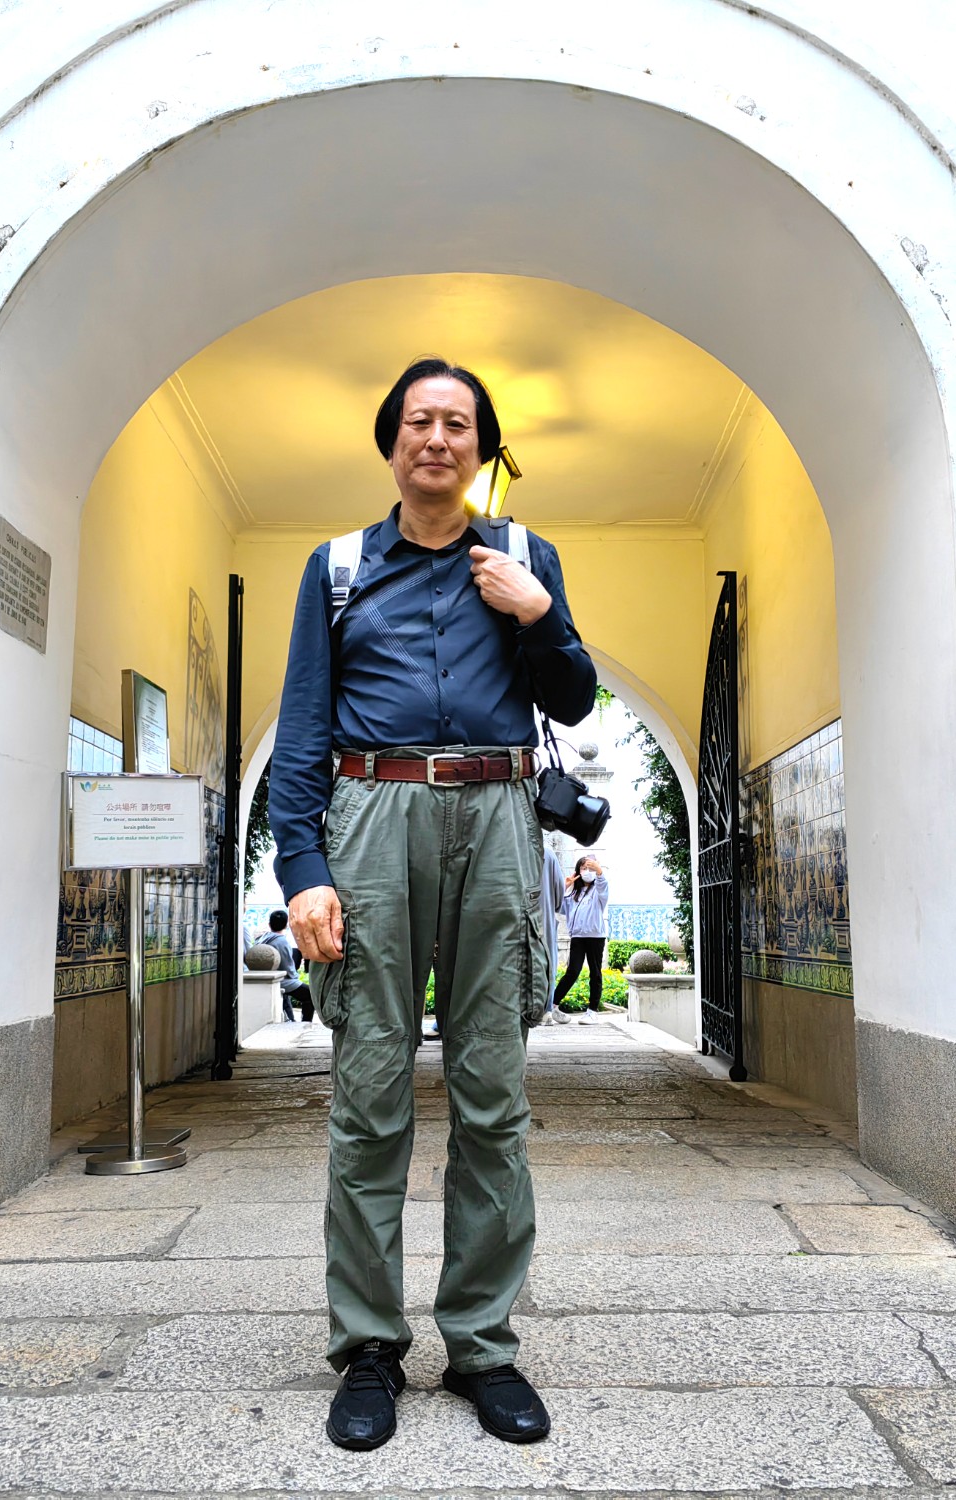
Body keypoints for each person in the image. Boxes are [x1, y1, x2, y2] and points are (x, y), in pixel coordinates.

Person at [268, 357, 596, 1451]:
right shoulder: (338, 568)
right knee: (369, 1093)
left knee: (492, 1094)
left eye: (459, 424)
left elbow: (573, 699)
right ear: (391, 441)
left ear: (483, 449)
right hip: (372, 818)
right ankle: (368, 1347)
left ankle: (483, 1346)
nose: (438, 439)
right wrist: (303, 870)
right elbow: (302, 729)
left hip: (498, 818)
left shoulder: (525, 556)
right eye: (420, 421)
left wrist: (540, 616)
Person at [552, 856, 609, 1023]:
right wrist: (564, 887)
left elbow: (603, 885)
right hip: (577, 937)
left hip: (595, 937)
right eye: (584, 868)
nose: (587, 871)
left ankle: (592, 1011)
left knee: (595, 973)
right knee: (572, 971)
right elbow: (558, 906)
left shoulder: (598, 891)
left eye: (591, 868)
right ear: (578, 871)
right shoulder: (573, 894)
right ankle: (552, 1005)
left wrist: (599, 871)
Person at [264, 909, 315, 1024]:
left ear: (269, 924)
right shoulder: (281, 941)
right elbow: (288, 967)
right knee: (310, 994)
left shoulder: (264, 938)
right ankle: (305, 1023)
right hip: (282, 980)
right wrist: (295, 976)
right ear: (286, 925)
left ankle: (291, 1019)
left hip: (273, 977)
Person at [539, 847, 570, 1026]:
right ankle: (545, 1011)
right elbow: (559, 893)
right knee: (547, 963)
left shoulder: (505, 845)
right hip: (543, 919)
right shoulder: (547, 853)